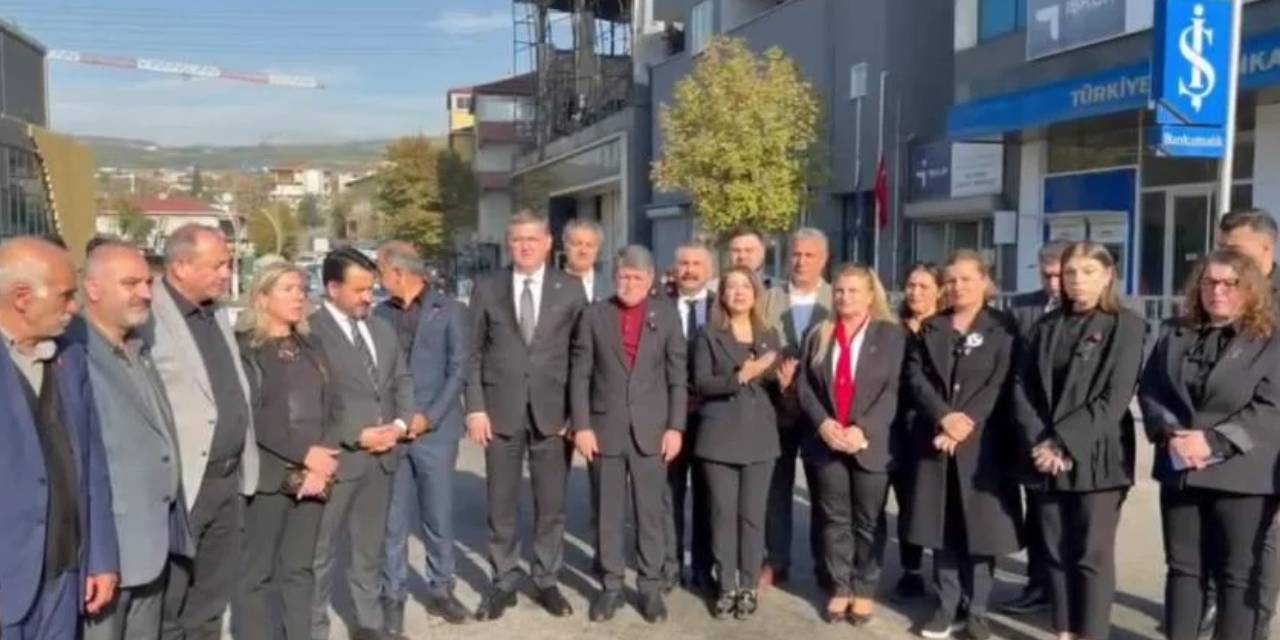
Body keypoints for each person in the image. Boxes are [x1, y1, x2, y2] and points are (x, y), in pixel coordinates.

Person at [1139, 249, 1280, 640]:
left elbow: (1271, 407)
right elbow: (1151, 389)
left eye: (1230, 283)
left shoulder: (1271, 339)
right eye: (1209, 282)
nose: (1218, 291)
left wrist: (1213, 442)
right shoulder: (1175, 332)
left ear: (1250, 288)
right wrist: (1170, 433)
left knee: (1237, 575)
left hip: (1242, 474)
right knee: (1183, 569)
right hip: (1181, 467)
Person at [1012, 242, 1145, 640]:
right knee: (1055, 552)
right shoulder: (1046, 325)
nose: (1077, 281)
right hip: (1044, 456)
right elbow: (1022, 386)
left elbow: (1114, 397)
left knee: (1090, 555)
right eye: (1070, 272)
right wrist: (1041, 441)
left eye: (1088, 272)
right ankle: (1064, 630)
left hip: (1097, 457)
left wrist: (1062, 443)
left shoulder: (1125, 325)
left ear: (1107, 276)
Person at [466, 211, 587, 621]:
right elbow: (472, 353)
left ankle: (546, 579)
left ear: (548, 243)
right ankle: (503, 580)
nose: (525, 246)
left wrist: (576, 413)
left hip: (554, 414)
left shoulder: (570, 289)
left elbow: (581, 356)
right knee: (500, 503)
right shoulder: (487, 287)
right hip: (500, 411)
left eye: (532, 239)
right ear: (508, 243)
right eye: (517, 239)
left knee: (551, 504)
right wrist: (475, 407)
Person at [0, 237, 119, 639]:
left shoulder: (70, 359)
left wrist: (101, 558)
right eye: (66, 296)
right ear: (21, 297)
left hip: (63, 576)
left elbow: (93, 462)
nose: (74, 307)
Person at [906, 250, 1023, 640]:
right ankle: (946, 606)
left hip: (983, 445)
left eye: (966, 279)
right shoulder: (932, 327)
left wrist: (964, 423)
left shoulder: (1003, 327)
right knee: (942, 528)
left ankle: (977, 611)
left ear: (984, 281)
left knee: (981, 530)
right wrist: (944, 417)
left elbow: (1001, 381)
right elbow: (917, 378)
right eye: (951, 280)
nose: (957, 287)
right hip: (937, 442)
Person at [149, 224, 258, 640]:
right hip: (184, 486)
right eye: (217, 265)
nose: (226, 274)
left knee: (211, 601)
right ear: (180, 266)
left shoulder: (214, 312)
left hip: (228, 482)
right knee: (172, 603)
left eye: (228, 264)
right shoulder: (149, 314)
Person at [570, 245, 687, 624]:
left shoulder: (666, 315)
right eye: (624, 276)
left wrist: (675, 427)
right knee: (607, 513)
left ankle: (650, 587)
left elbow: (677, 377)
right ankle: (611, 585)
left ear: (650, 280)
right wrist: (582, 426)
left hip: (652, 431)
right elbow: (580, 375)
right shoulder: (594, 315)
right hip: (604, 429)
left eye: (637, 277)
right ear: (614, 277)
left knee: (650, 514)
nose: (630, 283)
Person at [81, 242, 191, 640]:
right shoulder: (74, 352)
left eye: (148, 282)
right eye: (130, 283)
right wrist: (94, 556)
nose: (145, 293)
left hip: (152, 546)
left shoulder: (137, 347)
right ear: (93, 289)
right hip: (105, 558)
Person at [308, 247, 414, 640]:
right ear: (333, 288)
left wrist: (399, 425)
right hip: (339, 459)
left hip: (382, 458)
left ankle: (368, 625)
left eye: (371, 288)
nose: (369, 297)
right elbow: (312, 399)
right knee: (320, 553)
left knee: (369, 549)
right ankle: (313, 628)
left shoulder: (381, 328)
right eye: (359, 290)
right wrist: (356, 433)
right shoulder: (311, 332)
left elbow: (402, 380)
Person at [232, 262, 342, 640]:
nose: (299, 297)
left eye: (302, 289)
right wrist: (303, 454)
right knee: (257, 574)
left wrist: (321, 461)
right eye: (288, 290)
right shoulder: (245, 348)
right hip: (267, 476)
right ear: (262, 298)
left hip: (315, 474)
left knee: (300, 569)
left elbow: (335, 405)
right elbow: (253, 414)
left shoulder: (312, 345)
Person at [796, 265, 906, 626]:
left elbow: (894, 389)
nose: (845, 297)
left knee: (868, 520)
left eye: (854, 291)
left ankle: (864, 588)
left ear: (871, 295)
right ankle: (840, 586)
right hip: (828, 442)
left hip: (869, 444)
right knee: (834, 519)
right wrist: (823, 423)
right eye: (840, 291)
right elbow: (805, 386)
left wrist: (864, 429)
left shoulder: (891, 335)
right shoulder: (819, 333)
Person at [374, 241, 471, 632]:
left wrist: (428, 418)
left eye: (381, 273)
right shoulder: (380, 313)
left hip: (436, 431)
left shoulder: (450, 310)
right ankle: (392, 593)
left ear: (399, 273)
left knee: (437, 515)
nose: (379, 280)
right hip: (393, 432)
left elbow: (458, 369)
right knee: (391, 520)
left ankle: (441, 588)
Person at [691, 266, 782, 620]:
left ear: (756, 293)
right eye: (731, 287)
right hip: (720, 437)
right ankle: (726, 584)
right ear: (722, 295)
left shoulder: (769, 334)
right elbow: (702, 382)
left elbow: (773, 386)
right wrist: (741, 375)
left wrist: (784, 382)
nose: (739, 292)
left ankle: (748, 586)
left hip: (760, 437)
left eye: (746, 286)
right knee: (722, 515)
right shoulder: (707, 334)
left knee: (752, 516)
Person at [1215, 208, 1280, 639]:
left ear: (1266, 249)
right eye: (1221, 248)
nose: (1226, 257)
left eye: (1234, 248)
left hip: (1267, 438)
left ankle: (1255, 623)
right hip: (1219, 441)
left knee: (1263, 542)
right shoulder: (1220, 291)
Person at [761, 227, 833, 589]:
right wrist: (777, 377)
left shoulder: (837, 298)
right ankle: (776, 559)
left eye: (809, 255)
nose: (801, 262)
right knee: (776, 486)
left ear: (824, 259)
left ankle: (826, 564)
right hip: (777, 408)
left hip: (822, 409)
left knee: (824, 489)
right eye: (796, 254)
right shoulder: (768, 299)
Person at [999, 241, 1067, 616]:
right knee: (1039, 515)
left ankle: (1068, 590)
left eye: (1060, 275)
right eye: (1047, 275)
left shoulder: (1091, 310)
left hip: (1073, 433)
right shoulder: (1022, 308)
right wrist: (1034, 434)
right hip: (1030, 430)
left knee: (1070, 520)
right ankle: (1038, 584)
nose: (1054, 284)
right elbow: (1011, 370)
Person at [890, 263, 944, 601]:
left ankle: (944, 576)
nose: (915, 292)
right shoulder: (892, 327)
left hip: (933, 426)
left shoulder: (946, 327)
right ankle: (911, 571)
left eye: (924, 286)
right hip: (897, 428)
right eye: (911, 285)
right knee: (907, 503)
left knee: (935, 503)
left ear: (939, 290)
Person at [666, 242, 717, 592]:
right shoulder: (659, 305)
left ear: (709, 271)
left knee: (706, 493)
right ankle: (669, 566)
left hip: (712, 416)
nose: (689, 270)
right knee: (668, 494)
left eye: (697, 264)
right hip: (668, 416)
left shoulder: (722, 307)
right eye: (683, 263)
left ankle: (702, 566)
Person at [563, 218, 610, 302]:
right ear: (566, 247)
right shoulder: (548, 286)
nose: (583, 251)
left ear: (598, 251)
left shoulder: (612, 289)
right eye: (577, 244)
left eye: (589, 245)